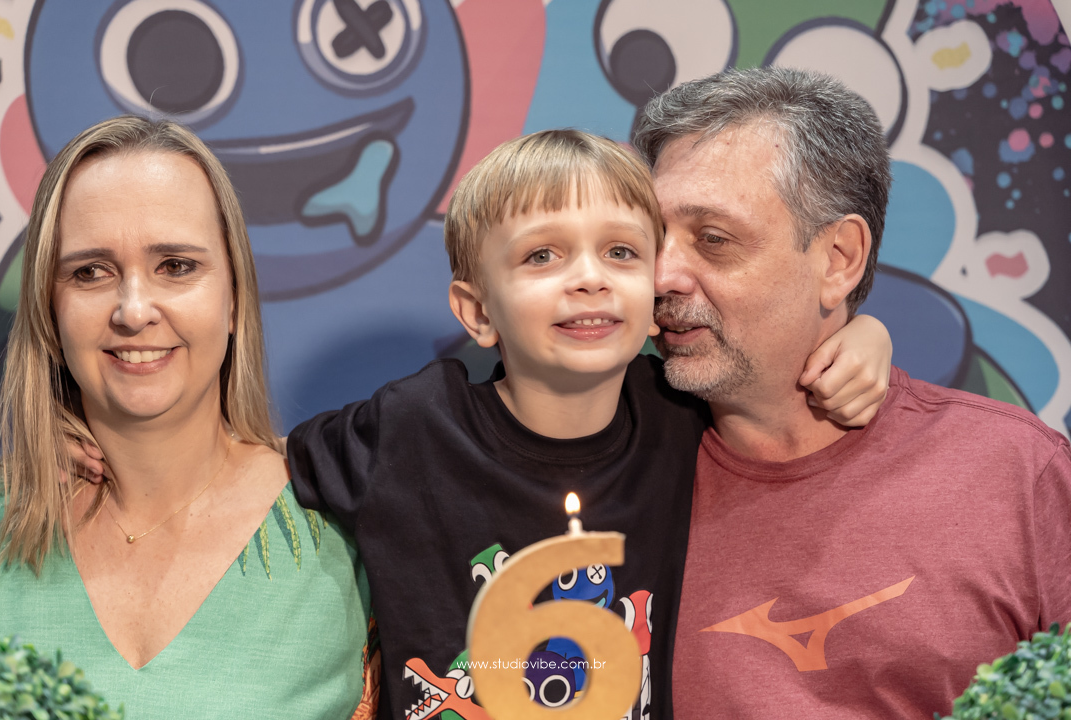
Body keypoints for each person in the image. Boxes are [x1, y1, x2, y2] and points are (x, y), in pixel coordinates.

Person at [287, 129, 893, 720]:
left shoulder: (677, 413)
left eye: (620, 252)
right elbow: (256, 465)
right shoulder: (411, 426)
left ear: (654, 295)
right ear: (478, 312)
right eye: (541, 255)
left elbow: (779, 376)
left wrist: (866, 333)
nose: (589, 277)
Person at [632, 67, 1071, 718]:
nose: (661, 275)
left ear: (839, 258)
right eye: (648, 239)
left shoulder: (1016, 472)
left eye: (714, 240)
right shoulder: (613, 468)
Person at [0, 117, 375, 720]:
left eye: (175, 266)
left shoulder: (347, 519)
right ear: (48, 308)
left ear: (234, 297)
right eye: (90, 272)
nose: (133, 310)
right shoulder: (1, 519)